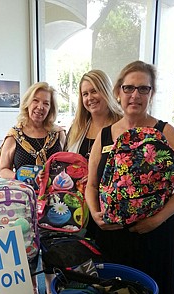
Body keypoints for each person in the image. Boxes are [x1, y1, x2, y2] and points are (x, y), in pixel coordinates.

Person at [85, 60, 174, 294]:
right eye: (129, 88)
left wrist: (156, 220)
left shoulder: (164, 132)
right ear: (119, 92)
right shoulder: (105, 135)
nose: (135, 95)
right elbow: (91, 184)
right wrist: (95, 215)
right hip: (110, 233)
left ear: (151, 93)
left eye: (143, 89)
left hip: (152, 235)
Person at [0, 81, 66, 294]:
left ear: (51, 108)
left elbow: (64, 165)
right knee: (27, 244)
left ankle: (49, 285)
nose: (40, 106)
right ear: (27, 103)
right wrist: (20, 177)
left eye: (46, 103)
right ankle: (32, 285)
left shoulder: (58, 134)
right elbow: (2, 169)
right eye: (36, 100)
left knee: (51, 245)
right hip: (24, 201)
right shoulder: (14, 135)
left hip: (54, 201)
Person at [66, 69, 122, 239]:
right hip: (78, 208)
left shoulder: (122, 126)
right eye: (85, 94)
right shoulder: (77, 129)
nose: (90, 98)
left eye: (94, 91)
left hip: (110, 210)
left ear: (106, 91)